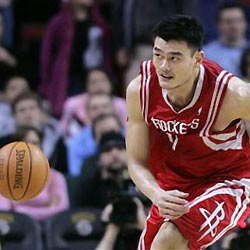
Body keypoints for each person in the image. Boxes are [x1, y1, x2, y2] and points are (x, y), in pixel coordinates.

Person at [126, 15, 250, 250]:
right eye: (158, 55)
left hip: (229, 179)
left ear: (197, 59)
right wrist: (156, 194)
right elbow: (135, 162)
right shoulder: (140, 90)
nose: (163, 66)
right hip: (173, 187)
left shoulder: (232, 95)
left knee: (168, 241)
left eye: (174, 58)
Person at [203, 2, 248, 76]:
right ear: (218, 24)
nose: (234, 26)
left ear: (245, 23)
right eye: (228, 21)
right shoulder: (205, 55)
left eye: (238, 20)